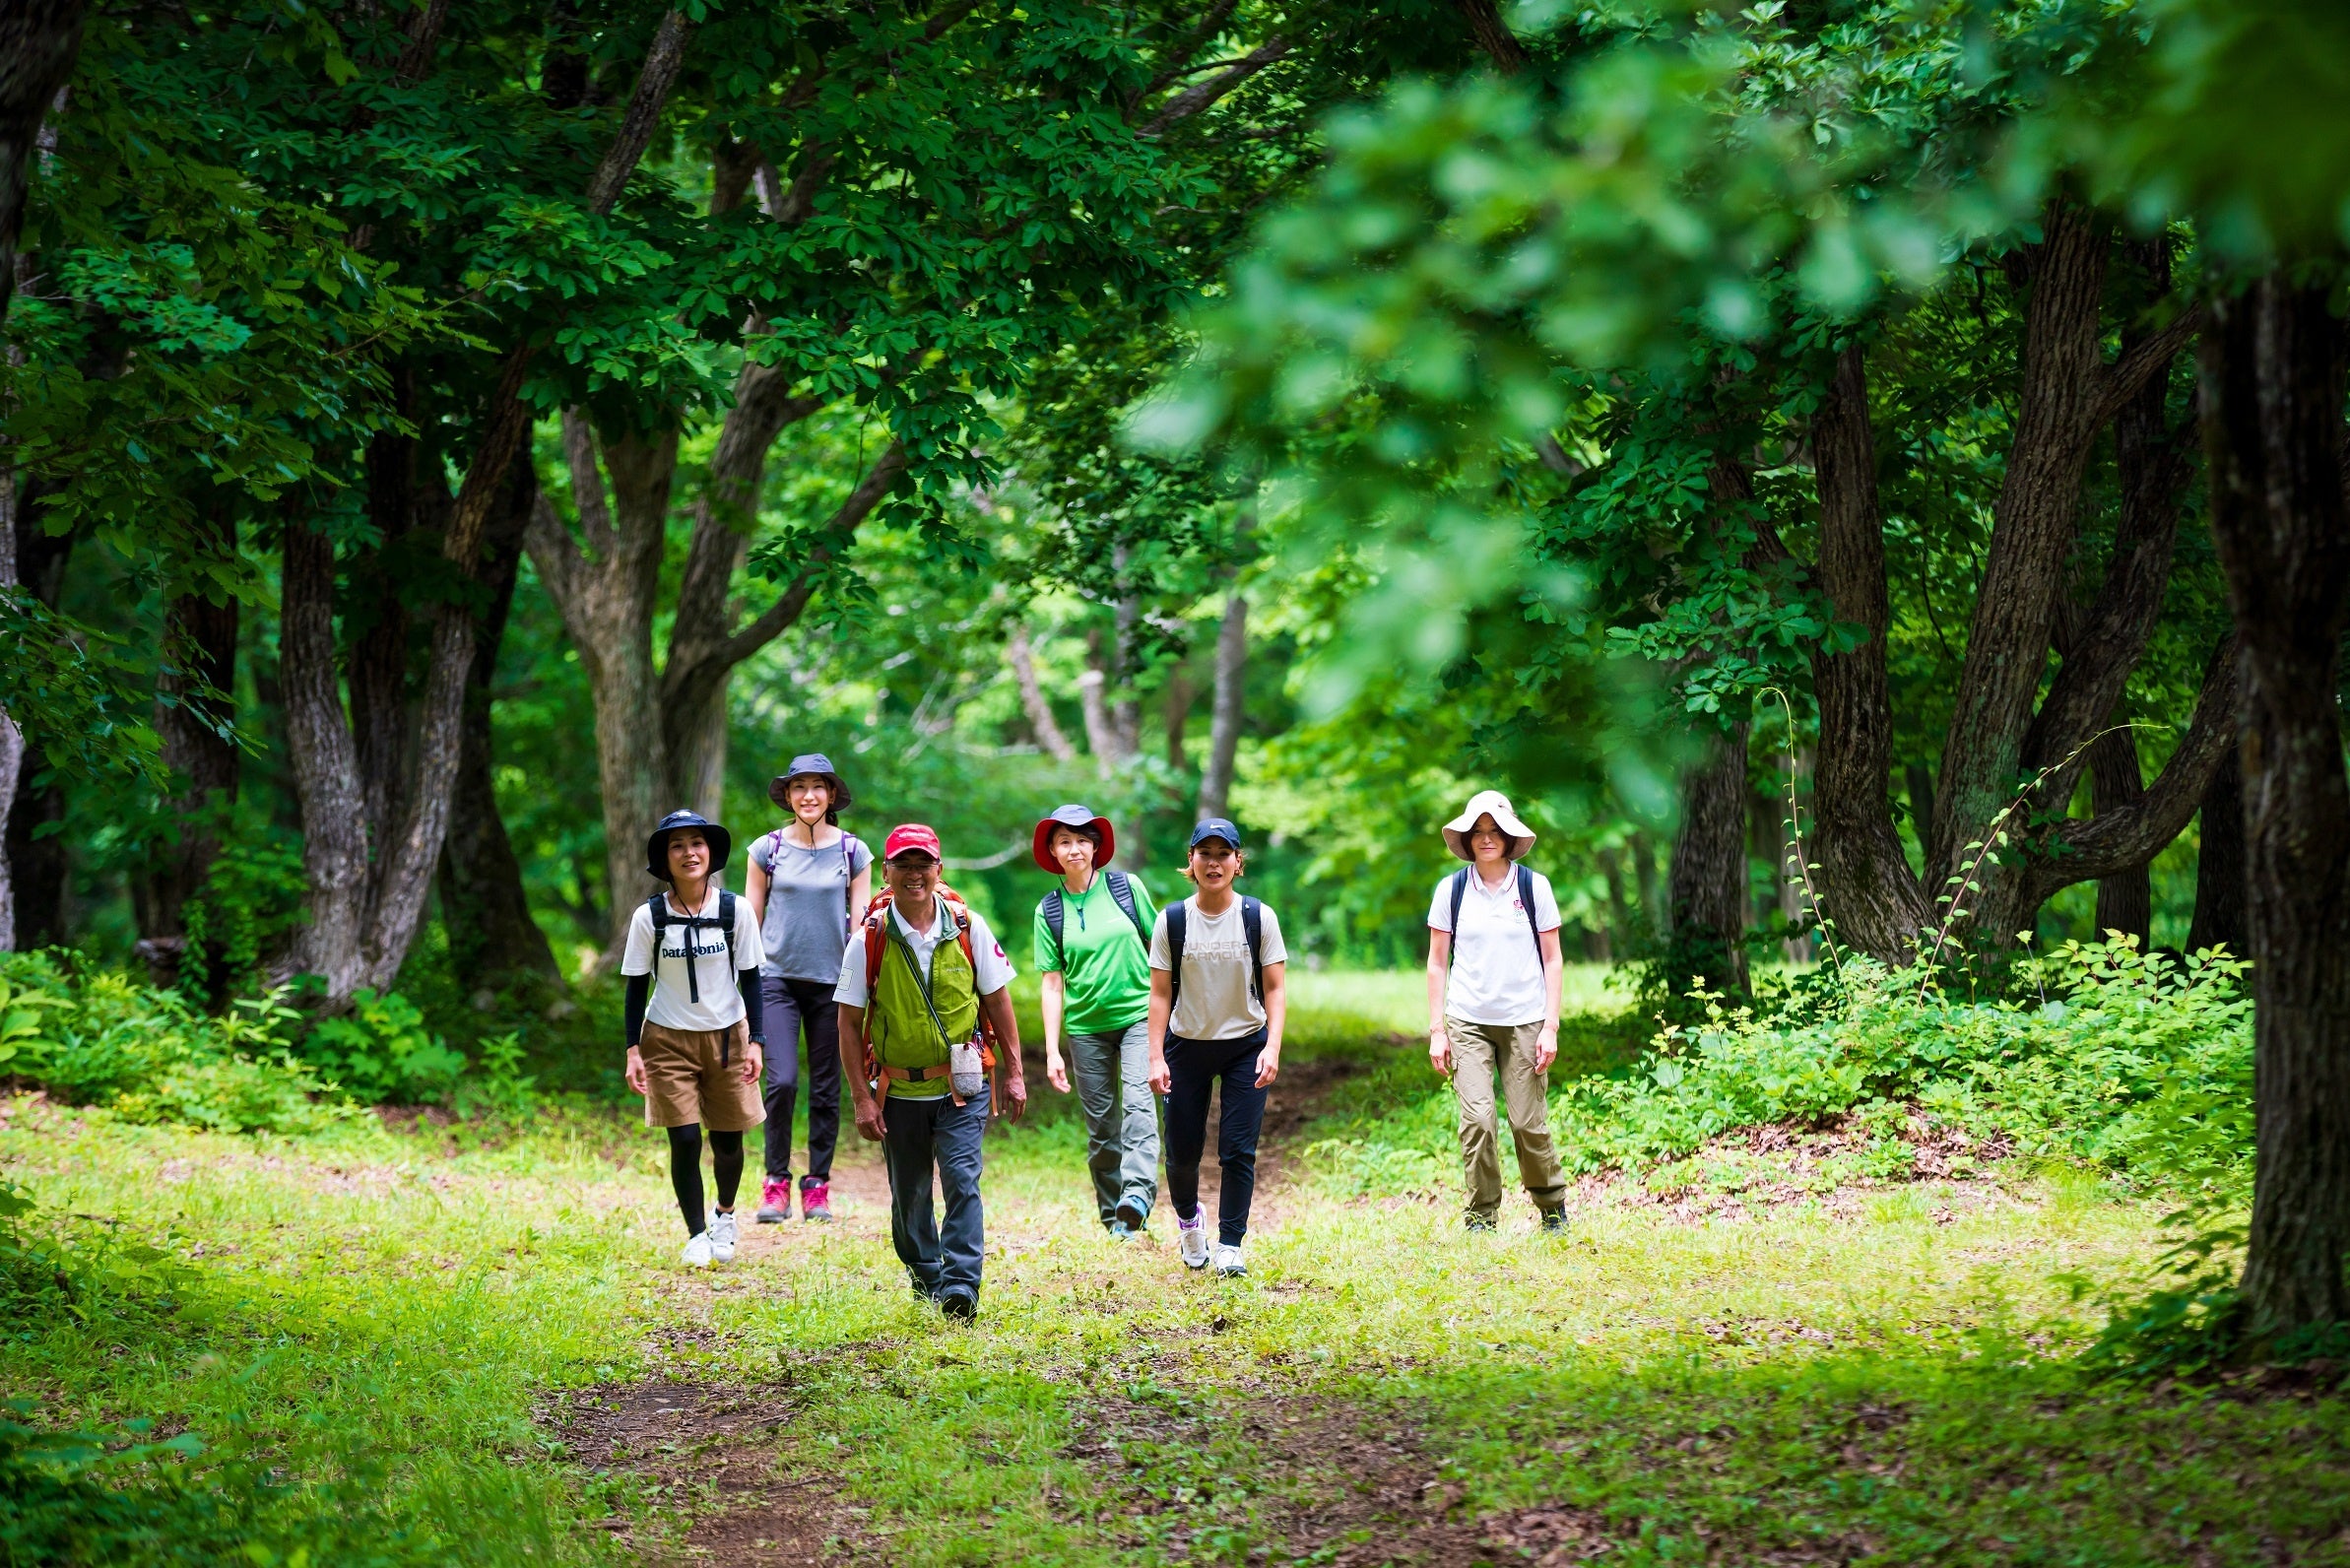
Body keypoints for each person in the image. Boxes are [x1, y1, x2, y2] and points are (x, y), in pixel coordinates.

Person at [836, 824, 1028, 1318]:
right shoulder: (869, 939)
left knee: (962, 1179)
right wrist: (861, 1098)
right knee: (910, 1192)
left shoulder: (967, 927)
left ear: (938, 870)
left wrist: (1014, 1071)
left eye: (923, 864)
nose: (914, 873)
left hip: (961, 1085)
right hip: (897, 1090)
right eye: (903, 864)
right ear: (887, 872)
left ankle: (961, 1285)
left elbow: (998, 1000)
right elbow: (848, 1022)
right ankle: (927, 1274)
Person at [621, 810, 767, 1268]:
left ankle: (725, 1214)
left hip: (727, 1037)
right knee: (684, 1139)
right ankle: (696, 1234)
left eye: (697, 843)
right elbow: (635, 985)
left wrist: (757, 1040)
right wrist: (632, 1050)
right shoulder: (649, 917)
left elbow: (752, 978)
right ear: (665, 858)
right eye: (678, 845)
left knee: (727, 1142)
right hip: (666, 1038)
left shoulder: (734, 911)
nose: (689, 853)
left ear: (710, 853)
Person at [1146, 817, 1287, 1279]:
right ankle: (1190, 1223)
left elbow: (1275, 988)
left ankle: (1230, 1244)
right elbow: (1160, 994)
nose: (1213, 863)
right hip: (1186, 1044)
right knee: (1182, 1154)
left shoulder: (1258, 917)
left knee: (1238, 1150)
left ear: (1237, 861)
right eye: (1204, 854)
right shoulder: (1172, 920)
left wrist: (1272, 1047)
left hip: (1246, 1045)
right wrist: (1155, 1056)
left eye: (1223, 854)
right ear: (1190, 861)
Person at [1425, 789, 1569, 1233]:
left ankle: (1552, 1209)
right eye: (1478, 831)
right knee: (1478, 1120)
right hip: (1467, 1019)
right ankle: (1481, 1217)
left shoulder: (1533, 887)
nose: (1486, 838)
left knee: (1527, 1123)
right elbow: (1436, 962)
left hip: (1526, 1019)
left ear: (1509, 837)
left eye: (1495, 830)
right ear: (1468, 839)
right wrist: (1437, 1030)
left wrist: (1550, 1026)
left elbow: (1553, 959)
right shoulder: (1451, 890)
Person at [744, 753, 873, 1224]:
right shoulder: (767, 849)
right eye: (799, 787)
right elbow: (750, 922)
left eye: (818, 786)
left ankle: (817, 1184)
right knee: (780, 1082)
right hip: (776, 979)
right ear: (788, 795)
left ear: (831, 795)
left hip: (832, 985)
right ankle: (775, 1182)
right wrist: (743, 985)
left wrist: (863, 986)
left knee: (825, 1088)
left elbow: (860, 926)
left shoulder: (853, 852)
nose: (809, 795)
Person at [1030, 804, 1160, 1238]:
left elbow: (1160, 947)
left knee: (1139, 1107)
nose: (1075, 849)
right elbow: (1052, 983)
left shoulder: (1126, 888)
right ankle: (1116, 1219)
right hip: (1085, 1029)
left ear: (1095, 847)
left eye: (1082, 840)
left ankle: (1137, 1195)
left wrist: (1171, 1009)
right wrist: (1053, 1051)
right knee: (1102, 1129)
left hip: (1138, 1016)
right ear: (1052, 851)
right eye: (1064, 841)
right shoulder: (1049, 910)